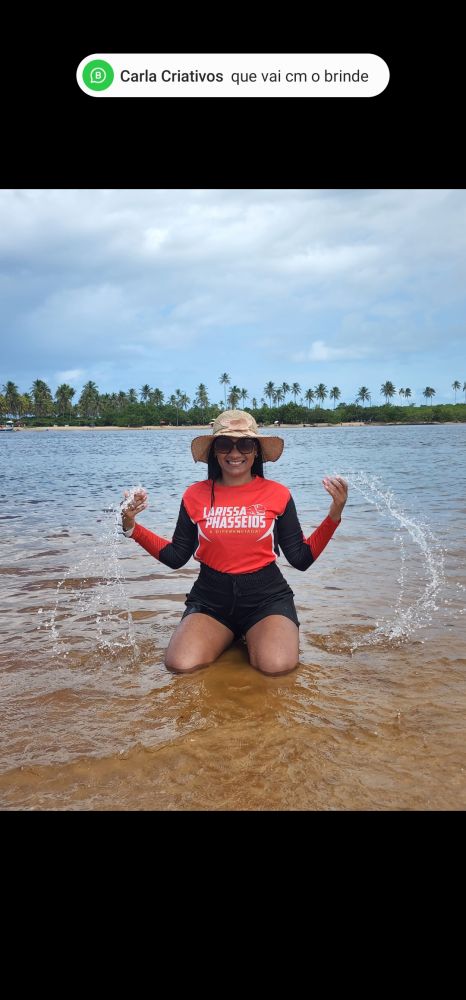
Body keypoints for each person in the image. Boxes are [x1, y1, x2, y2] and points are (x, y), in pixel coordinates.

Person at [121, 410, 348, 676]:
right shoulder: (195, 495)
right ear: (215, 452)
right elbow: (175, 556)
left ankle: (253, 636)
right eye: (225, 444)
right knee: (180, 666)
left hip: (266, 598)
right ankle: (230, 636)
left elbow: (301, 558)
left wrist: (335, 513)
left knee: (276, 668)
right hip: (211, 598)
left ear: (257, 452)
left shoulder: (278, 494)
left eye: (245, 444)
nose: (235, 452)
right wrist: (130, 526)